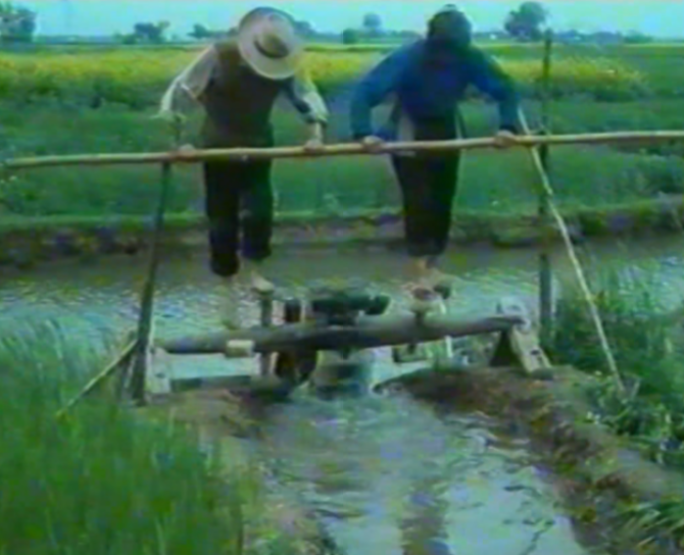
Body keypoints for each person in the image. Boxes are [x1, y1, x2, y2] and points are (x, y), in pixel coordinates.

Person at [155, 6, 329, 328]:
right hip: (218, 146)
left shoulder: (286, 61)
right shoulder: (219, 55)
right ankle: (227, 290)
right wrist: (179, 142)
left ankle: (256, 271)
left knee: (260, 209)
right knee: (222, 218)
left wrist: (315, 133)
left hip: (259, 143)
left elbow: (306, 94)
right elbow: (180, 92)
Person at [349, 5, 520, 291]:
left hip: (448, 132)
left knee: (442, 200)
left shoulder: (468, 57)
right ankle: (418, 273)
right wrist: (364, 133)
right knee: (419, 200)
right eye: (444, 48)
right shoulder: (408, 57)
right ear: (432, 40)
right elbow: (365, 92)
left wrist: (507, 127)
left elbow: (505, 88)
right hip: (409, 131)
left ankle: (433, 267)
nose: (447, 56)